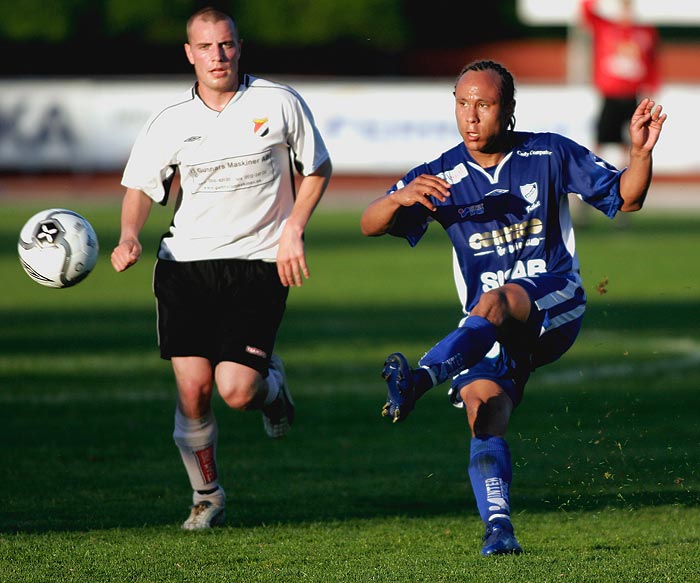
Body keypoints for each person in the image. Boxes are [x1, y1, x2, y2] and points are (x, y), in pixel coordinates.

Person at [360, 60, 665, 556]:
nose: (471, 116)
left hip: (553, 302)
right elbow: (368, 224)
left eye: (484, 104)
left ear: (509, 111)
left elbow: (626, 198)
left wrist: (639, 153)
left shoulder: (548, 151)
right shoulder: (440, 174)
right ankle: (499, 532)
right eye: (463, 104)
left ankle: (418, 380)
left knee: (499, 299)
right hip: (485, 327)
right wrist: (398, 200)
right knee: (484, 412)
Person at [111, 7, 332, 531]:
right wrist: (127, 237)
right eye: (206, 47)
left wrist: (294, 228)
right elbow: (142, 186)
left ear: (239, 46)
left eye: (226, 44)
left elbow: (317, 167)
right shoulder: (171, 122)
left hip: (257, 264)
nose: (218, 56)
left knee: (236, 391)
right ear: (189, 53)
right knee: (194, 389)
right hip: (184, 267)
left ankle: (271, 390)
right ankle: (206, 496)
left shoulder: (277, 103)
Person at [581, 0, 660, 168]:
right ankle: (590, 170)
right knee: (603, 133)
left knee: (632, 135)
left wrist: (653, 86)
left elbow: (652, 61)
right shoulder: (606, 28)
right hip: (610, 94)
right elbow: (587, 14)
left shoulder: (644, 32)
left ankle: (629, 172)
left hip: (632, 94)